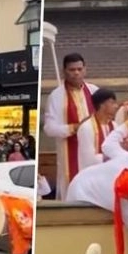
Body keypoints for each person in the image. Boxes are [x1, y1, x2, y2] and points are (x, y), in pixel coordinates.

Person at [43, 52, 99, 199]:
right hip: (70, 150)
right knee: (72, 190)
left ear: (85, 69)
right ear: (64, 71)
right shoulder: (56, 96)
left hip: (94, 149)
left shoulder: (94, 91)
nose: (76, 73)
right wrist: (74, 128)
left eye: (79, 69)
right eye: (72, 70)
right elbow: (49, 128)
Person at [77, 88, 118, 170]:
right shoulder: (86, 127)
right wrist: (115, 155)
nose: (116, 106)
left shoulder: (114, 125)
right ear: (101, 105)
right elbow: (88, 159)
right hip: (92, 175)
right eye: (112, 103)